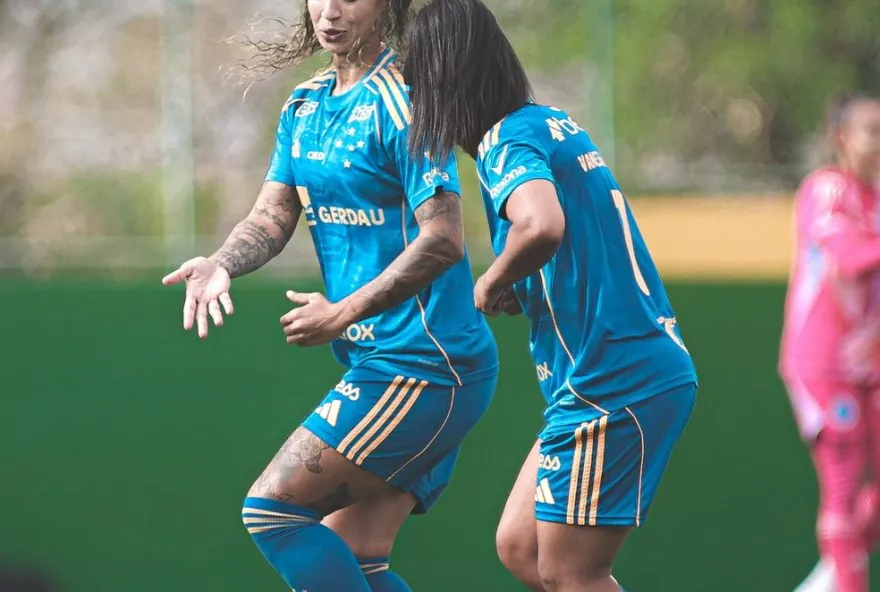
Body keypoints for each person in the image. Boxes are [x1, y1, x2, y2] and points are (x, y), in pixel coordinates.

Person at [162, 1, 499, 590]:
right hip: (388, 362)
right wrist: (221, 263)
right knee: (357, 554)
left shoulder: (406, 102)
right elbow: (271, 216)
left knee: (271, 512)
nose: (331, 10)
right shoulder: (305, 104)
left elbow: (443, 239)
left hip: (427, 363)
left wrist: (342, 312)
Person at [403, 1, 698, 590]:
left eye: (418, 87)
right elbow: (571, 242)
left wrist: (492, 279)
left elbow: (541, 225)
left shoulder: (504, 142)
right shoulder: (549, 123)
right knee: (522, 546)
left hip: (613, 379)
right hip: (612, 371)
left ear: (444, 79)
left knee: (569, 570)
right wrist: (525, 282)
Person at [779, 94, 880, 592]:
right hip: (821, 362)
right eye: (872, 131)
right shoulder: (827, 188)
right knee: (841, 482)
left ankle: (830, 576)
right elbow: (850, 259)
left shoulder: (876, 198)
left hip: (869, 364)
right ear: (842, 138)